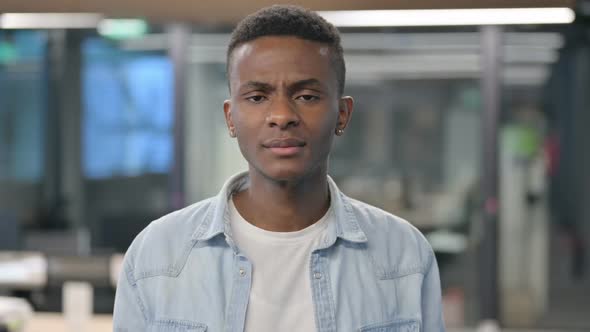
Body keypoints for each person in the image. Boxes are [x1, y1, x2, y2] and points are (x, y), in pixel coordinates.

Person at [113, 5, 445, 332]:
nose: (282, 115)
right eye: (257, 97)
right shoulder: (156, 255)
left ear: (342, 114)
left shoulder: (404, 255)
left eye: (307, 96)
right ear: (231, 117)